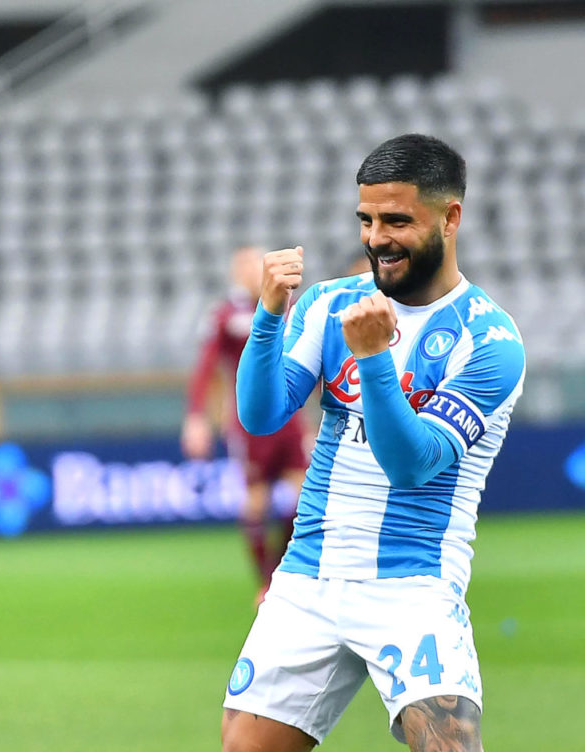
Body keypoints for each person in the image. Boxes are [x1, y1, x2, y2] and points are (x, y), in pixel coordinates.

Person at [221, 133, 525, 752]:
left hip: (413, 585)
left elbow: (412, 465)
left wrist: (374, 361)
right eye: (367, 219)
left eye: (397, 220)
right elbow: (259, 414)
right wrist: (271, 315)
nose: (377, 238)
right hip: (307, 578)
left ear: (450, 217)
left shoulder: (489, 342)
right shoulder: (332, 302)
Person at [181, 246, 309, 603]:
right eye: (247, 267)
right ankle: (265, 583)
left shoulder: (287, 307)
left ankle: (285, 571)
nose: (254, 272)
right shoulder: (225, 316)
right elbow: (205, 368)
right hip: (249, 422)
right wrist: (196, 417)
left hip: (289, 417)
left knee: (306, 493)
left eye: (257, 265)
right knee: (256, 499)